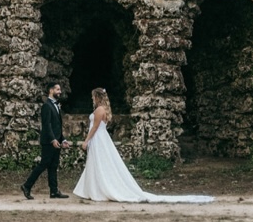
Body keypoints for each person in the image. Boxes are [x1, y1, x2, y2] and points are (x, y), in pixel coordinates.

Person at [74, 87, 214, 204]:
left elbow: (95, 127)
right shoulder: (103, 109)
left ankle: (99, 190)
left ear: (97, 97)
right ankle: (94, 189)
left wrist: (86, 141)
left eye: (93, 97)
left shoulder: (100, 110)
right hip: (100, 138)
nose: (92, 99)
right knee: (96, 162)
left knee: (99, 162)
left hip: (98, 138)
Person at [21, 83, 72, 200]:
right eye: (57, 89)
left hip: (56, 141)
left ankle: (54, 191)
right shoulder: (46, 106)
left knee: (53, 166)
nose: (60, 92)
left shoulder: (56, 105)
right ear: (51, 90)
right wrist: (53, 139)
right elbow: (47, 125)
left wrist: (62, 139)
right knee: (43, 164)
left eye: (60, 89)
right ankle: (26, 186)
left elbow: (57, 126)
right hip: (49, 142)